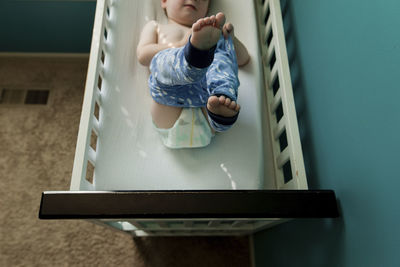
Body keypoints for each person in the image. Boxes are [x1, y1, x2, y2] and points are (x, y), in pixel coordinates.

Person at [137, 0, 250, 148]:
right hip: (169, 101)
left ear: (207, 8)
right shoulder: (156, 26)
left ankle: (222, 97)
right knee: (160, 61)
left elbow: (243, 59)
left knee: (221, 60)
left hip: (208, 106)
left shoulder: (212, 34)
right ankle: (190, 62)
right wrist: (181, 46)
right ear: (164, 1)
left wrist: (230, 40)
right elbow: (143, 55)